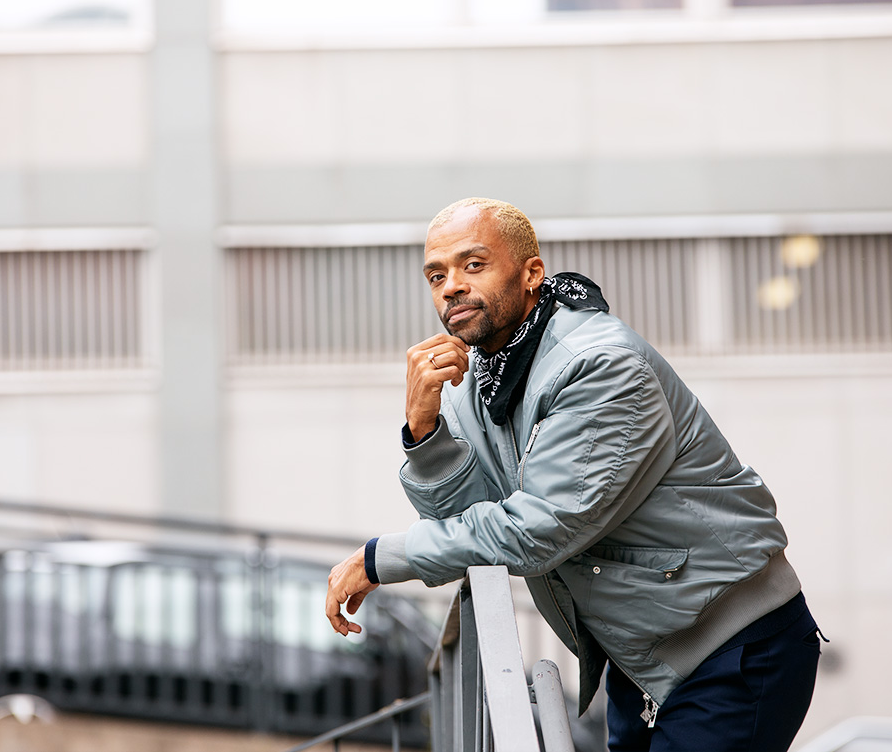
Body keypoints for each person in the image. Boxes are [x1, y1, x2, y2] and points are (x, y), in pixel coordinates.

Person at [325, 197, 820, 752]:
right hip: (642, 660)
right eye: (436, 274)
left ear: (531, 272)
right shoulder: (477, 379)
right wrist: (424, 431)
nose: (451, 287)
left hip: (735, 644)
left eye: (473, 264)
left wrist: (379, 559)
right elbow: (470, 529)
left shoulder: (599, 365)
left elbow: (537, 530)